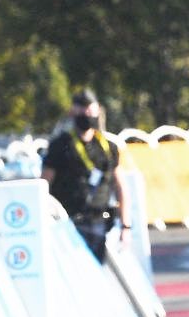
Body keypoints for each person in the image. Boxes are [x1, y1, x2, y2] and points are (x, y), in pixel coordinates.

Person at [41, 89, 131, 262]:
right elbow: (44, 184)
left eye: (89, 109)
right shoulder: (60, 145)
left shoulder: (108, 147)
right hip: (68, 224)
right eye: (81, 109)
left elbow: (121, 187)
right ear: (73, 112)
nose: (86, 113)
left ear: (98, 110)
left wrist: (126, 226)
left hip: (99, 224)